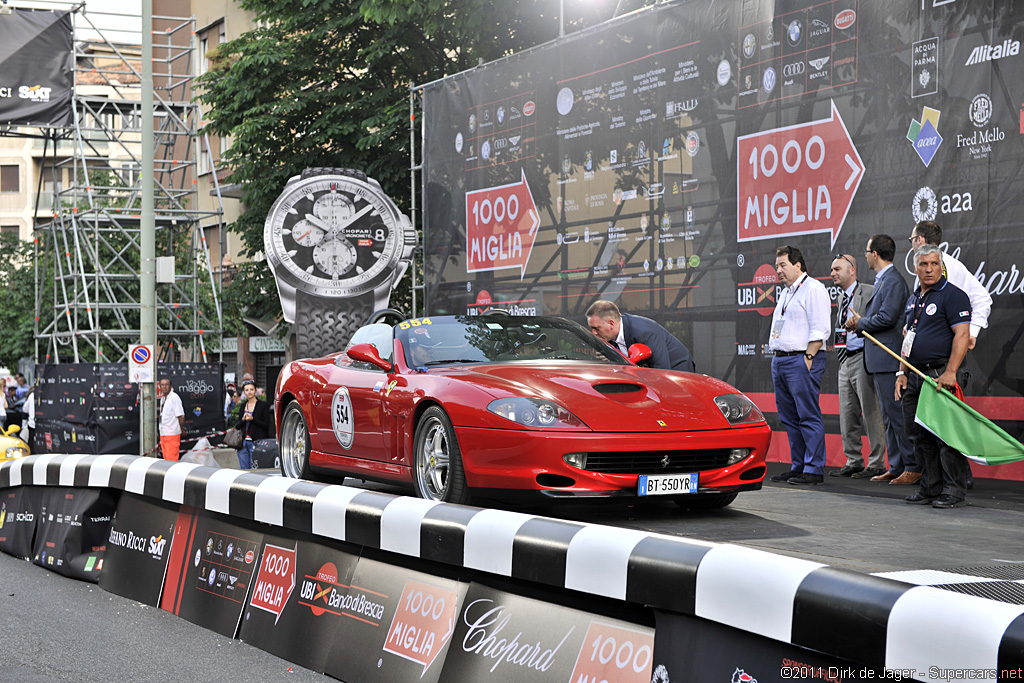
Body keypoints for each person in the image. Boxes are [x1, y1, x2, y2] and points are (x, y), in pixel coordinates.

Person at [897, 245, 972, 509]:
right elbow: (908, 338)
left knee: (946, 436)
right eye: (923, 264)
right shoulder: (913, 297)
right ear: (915, 268)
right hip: (914, 374)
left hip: (941, 373)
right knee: (919, 435)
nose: (929, 269)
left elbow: (962, 336)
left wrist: (951, 372)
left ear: (941, 265)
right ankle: (930, 487)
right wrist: (901, 372)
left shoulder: (954, 296)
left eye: (933, 264)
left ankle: (954, 490)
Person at [846, 235, 920, 485]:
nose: (865, 256)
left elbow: (887, 318)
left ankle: (912, 465)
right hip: (878, 359)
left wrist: (861, 323)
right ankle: (897, 465)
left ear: (875, 254)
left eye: (867, 251)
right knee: (888, 417)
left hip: (889, 358)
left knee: (897, 415)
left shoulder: (893, 281)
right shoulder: (884, 281)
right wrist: (862, 322)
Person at [767, 245, 831, 485]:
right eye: (776, 267)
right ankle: (799, 465)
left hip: (802, 358)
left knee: (807, 413)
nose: (778, 271)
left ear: (798, 265)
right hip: (781, 359)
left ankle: (814, 469)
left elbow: (821, 328)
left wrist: (809, 358)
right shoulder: (785, 292)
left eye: (783, 265)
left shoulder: (813, 289)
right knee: (790, 416)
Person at [828, 254, 887, 478]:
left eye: (837, 269)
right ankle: (853, 460)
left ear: (852, 270)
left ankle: (876, 463)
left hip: (863, 357)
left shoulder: (870, 291)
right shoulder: (842, 298)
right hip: (845, 360)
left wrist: (862, 320)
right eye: (832, 269)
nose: (832, 273)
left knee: (871, 412)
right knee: (847, 413)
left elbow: (880, 319)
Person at [909, 221, 991, 351]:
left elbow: (982, 298)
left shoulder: (949, 265)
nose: (930, 269)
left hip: (944, 350)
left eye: (911, 240)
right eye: (924, 264)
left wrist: (972, 331)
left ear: (919, 239)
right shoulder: (948, 264)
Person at [585, 300, 696, 372]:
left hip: (678, 371)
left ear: (611, 324)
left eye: (596, 328)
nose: (594, 332)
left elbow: (662, 370)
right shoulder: (607, 338)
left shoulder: (644, 331)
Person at [235, 380, 270, 470]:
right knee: (244, 470)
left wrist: (253, 419)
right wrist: (243, 419)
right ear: (244, 392)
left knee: (255, 470)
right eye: (247, 390)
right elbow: (238, 426)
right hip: (243, 443)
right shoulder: (243, 405)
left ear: (255, 390)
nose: (249, 392)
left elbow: (266, 425)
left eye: (251, 389)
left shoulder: (263, 406)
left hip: (256, 442)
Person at [158, 377, 185, 461]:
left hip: (172, 434)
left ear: (170, 386)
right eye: (162, 385)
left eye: (166, 385)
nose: (164, 387)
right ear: (159, 386)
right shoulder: (163, 399)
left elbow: (181, 415)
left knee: (172, 461)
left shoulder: (174, 398)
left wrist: (181, 429)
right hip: (163, 433)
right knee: (166, 460)